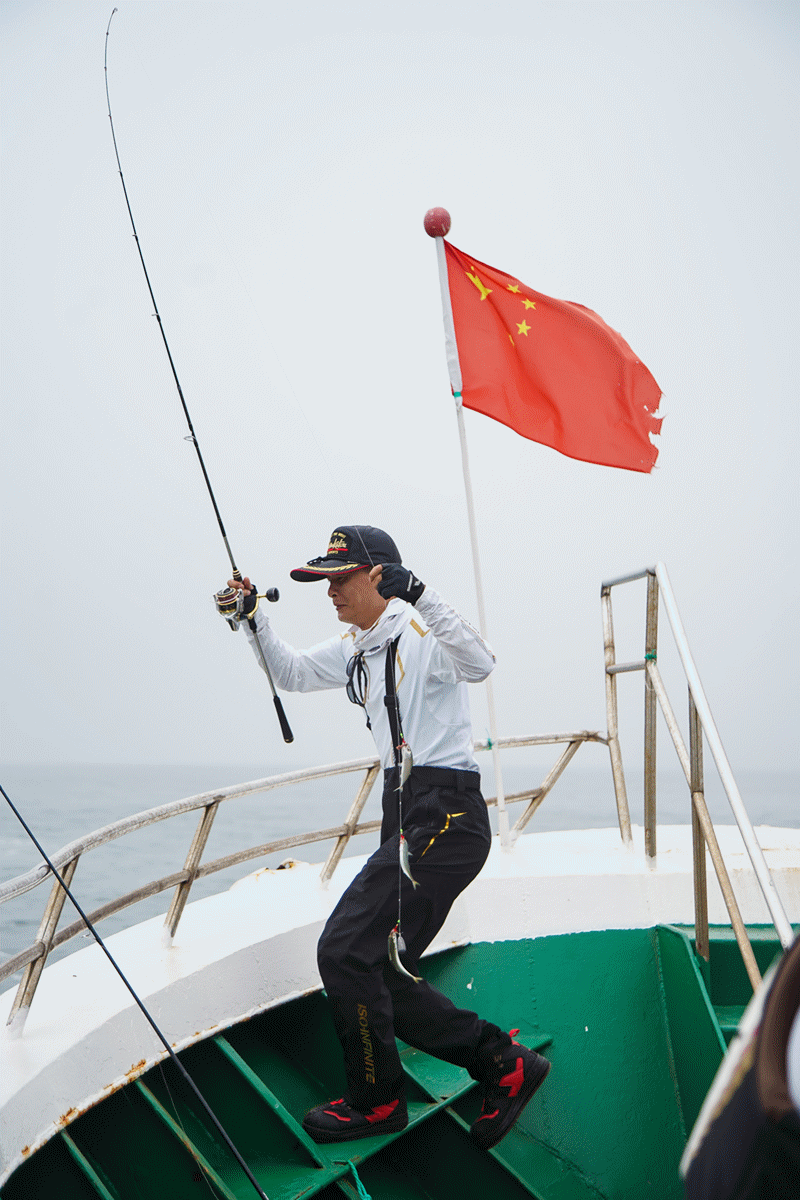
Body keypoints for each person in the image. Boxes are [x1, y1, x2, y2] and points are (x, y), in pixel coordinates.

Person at [218, 525, 550, 1147]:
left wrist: (419, 594)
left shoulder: (420, 633)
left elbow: (480, 663)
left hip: (444, 816)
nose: (331, 591)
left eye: (340, 578)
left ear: (378, 577)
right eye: (325, 580)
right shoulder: (357, 647)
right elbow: (288, 672)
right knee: (380, 967)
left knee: (343, 951)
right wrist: (252, 619)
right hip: (405, 813)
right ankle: (503, 1065)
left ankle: (376, 1103)